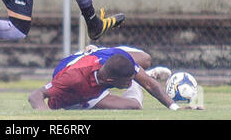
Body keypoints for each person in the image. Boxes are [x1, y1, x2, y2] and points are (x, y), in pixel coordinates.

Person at [28, 44, 201, 111]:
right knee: (134, 106)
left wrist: (175, 108)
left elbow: (149, 85)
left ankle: (139, 73)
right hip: (79, 95)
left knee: (145, 60)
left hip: (100, 58)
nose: (130, 82)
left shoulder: (116, 57)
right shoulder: (73, 79)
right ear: (110, 82)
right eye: (128, 80)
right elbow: (35, 96)